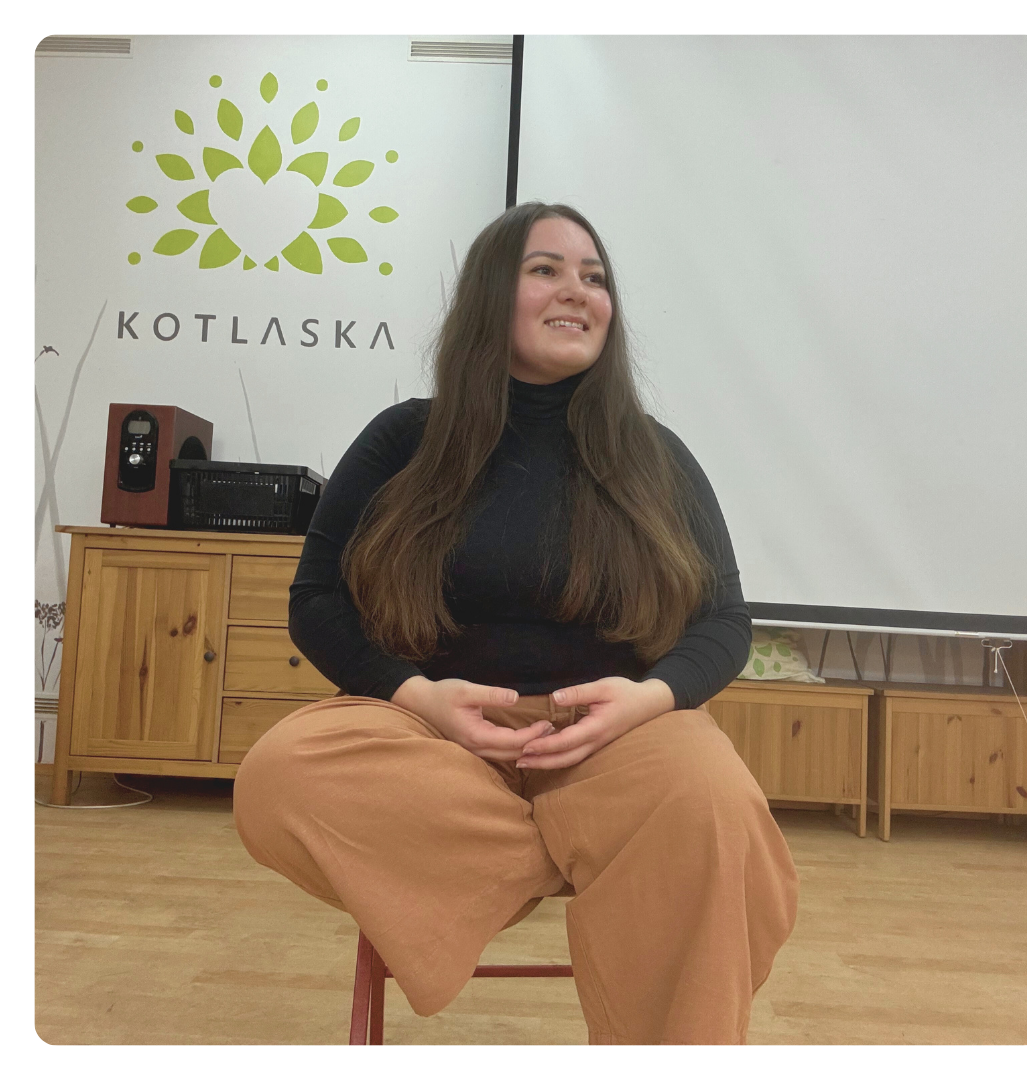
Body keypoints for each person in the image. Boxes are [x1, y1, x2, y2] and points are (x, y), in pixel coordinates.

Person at [233, 202, 799, 1045]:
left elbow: (723, 620)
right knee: (280, 774)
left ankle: (617, 881)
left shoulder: (657, 455)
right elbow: (316, 600)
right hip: (439, 745)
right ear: (491, 295)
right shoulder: (403, 439)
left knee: (713, 802)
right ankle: (581, 852)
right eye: (546, 270)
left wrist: (649, 700)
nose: (578, 290)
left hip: (618, 741)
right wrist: (419, 697)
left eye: (595, 277)